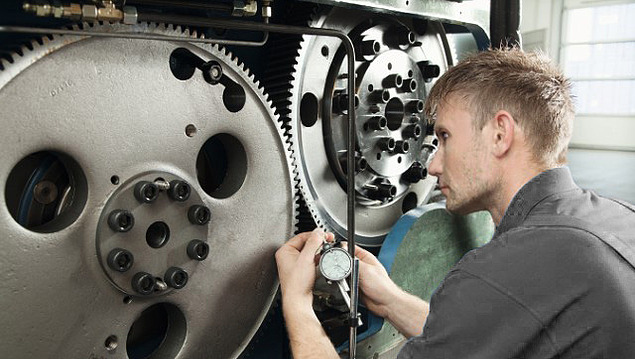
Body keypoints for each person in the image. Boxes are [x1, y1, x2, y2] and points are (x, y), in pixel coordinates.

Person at [275, 47, 635, 358]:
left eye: (445, 137)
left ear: (500, 134)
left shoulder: (504, 270)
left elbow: (501, 297)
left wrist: (297, 304)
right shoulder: (617, 217)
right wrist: (387, 299)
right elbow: (482, 330)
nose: (432, 165)